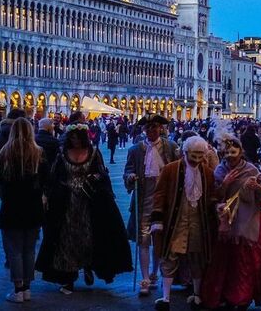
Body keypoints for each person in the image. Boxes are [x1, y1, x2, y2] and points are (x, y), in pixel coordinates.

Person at [36, 123, 132, 294]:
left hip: (90, 201)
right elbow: (54, 176)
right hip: (67, 202)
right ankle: (68, 278)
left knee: (89, 235)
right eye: (72, 138)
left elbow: (102, 173)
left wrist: (93, 177)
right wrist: (49, 194)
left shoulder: (94, 153)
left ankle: (88, 264)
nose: (75, 141)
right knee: (67, 238)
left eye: (77, 138)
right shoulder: (62, 154)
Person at [201, 134, 261, 310]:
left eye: (233, 151)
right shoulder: (220, 171)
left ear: (241, 152)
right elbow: (214, 197)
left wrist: (257, 188)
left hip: (251, 218)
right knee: (228, 263)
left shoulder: (251, 169)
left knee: (253, 262)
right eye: (227, 152)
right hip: (228, 220)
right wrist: (225, 184)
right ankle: (229, 295)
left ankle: (245, 295)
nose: (230, 155)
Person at [150, 136, 217, 310]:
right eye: (193, 156)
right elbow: (159, 195)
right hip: (176, 220)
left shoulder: (207, 172)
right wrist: (157, 220)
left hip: (198, 222)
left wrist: (217, 207)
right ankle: (165, 297)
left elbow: (211, 195)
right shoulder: (170, 170)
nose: (196, 160)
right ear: (185, 152)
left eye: (200, 156)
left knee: (197, 257)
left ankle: (196, 294)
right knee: (170, 256)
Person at [124, 113, 179, 296]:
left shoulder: (171, 147)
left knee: (160, 238)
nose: (151, 130)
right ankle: (145, 277)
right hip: (144, 198)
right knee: (143, 239)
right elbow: (128, 170)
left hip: (164, 200)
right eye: (148, 127)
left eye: (155, 127)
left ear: (160, 128)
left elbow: (179, 169)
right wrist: (130, 177)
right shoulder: (135, 150)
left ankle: (156, 273)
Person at [0, 118, 45, 303]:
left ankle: (18, 289)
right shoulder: (39, 152)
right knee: (29, 249)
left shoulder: (4, 153)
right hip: (33, 206)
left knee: (15, 250)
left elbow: (0, 179)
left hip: (11, 205)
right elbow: (44, 179)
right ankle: (27, 288)